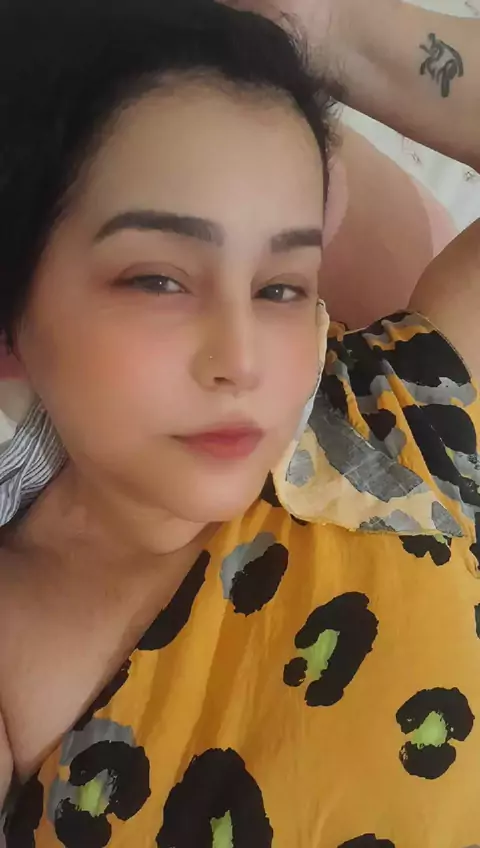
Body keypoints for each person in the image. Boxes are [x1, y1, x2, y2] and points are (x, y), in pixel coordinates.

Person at [0, 0, 480, 846]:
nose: (243, 359)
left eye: (281, 287)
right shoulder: (16, 647)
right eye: (158, 281)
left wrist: (329, 31)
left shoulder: (396, 414)